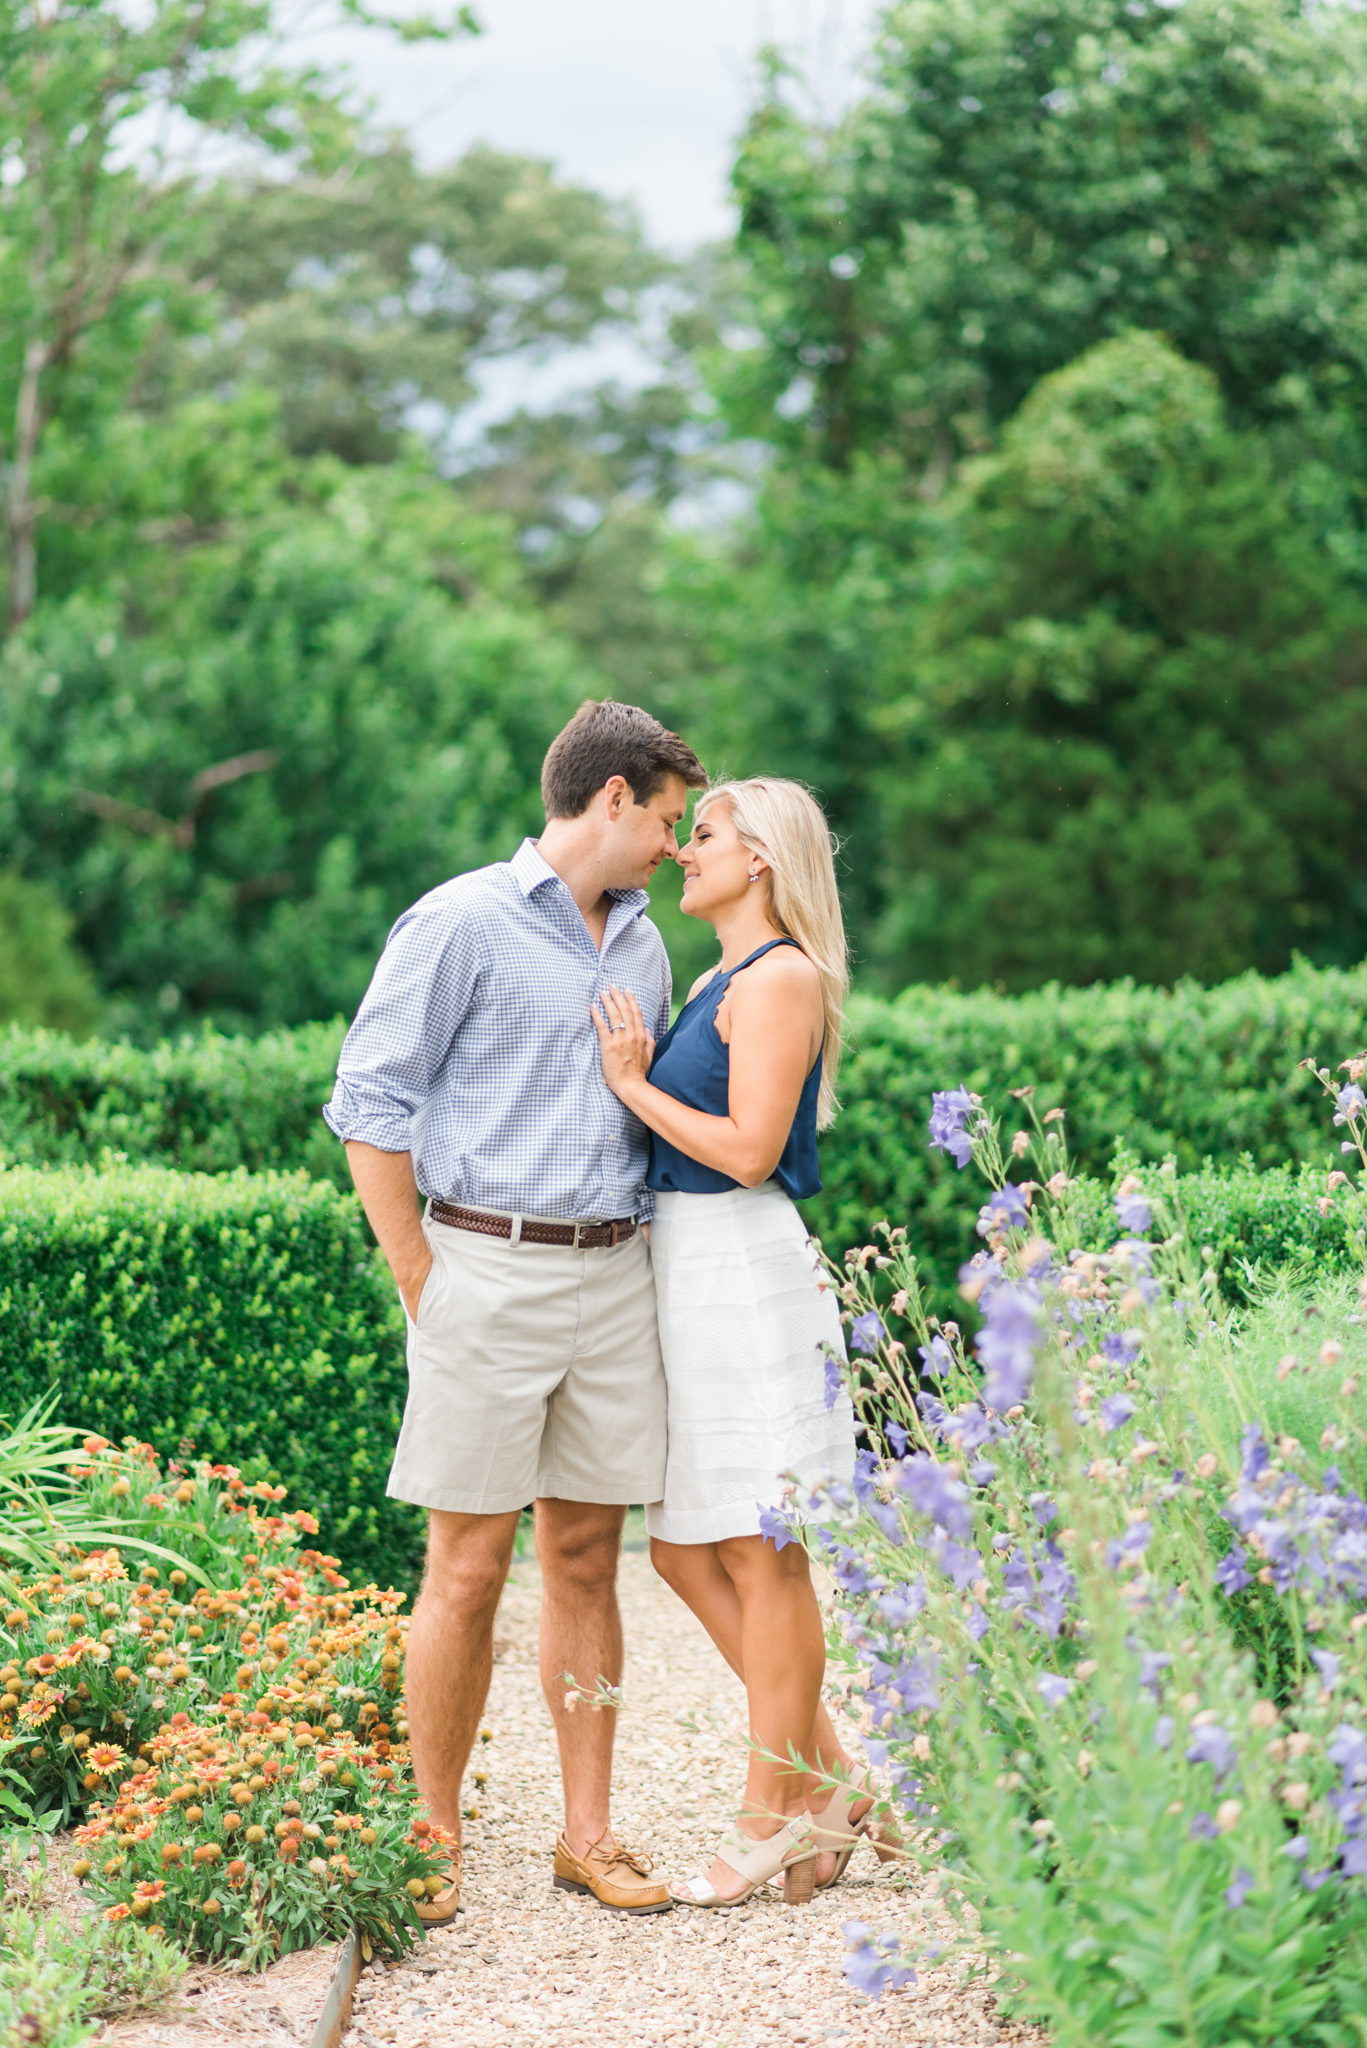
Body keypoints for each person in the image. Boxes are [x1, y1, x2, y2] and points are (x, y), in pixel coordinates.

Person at [323, 698, 708, 1923]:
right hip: (481, 1270)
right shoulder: (458, 921)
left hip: (615, 1273)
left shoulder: (647, 941)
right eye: (663, 818)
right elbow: (366, 1101)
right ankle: (430, 1833)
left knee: (590, 1559)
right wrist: (419, 1274)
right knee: (466, 1565)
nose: (672, 844)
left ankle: (585, 1832)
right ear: (609, 800)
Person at [593, 777, 872, 1911]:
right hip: (686, 1267)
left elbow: (750, 1149)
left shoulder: (782, 974)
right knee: (681, 1544)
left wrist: (629, 1084)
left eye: (700, 835)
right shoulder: (715, 976)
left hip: (742, 1266)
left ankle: (768, 1813)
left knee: (764, 1549)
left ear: (759, 857)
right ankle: (835, 1779)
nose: (681, 853)